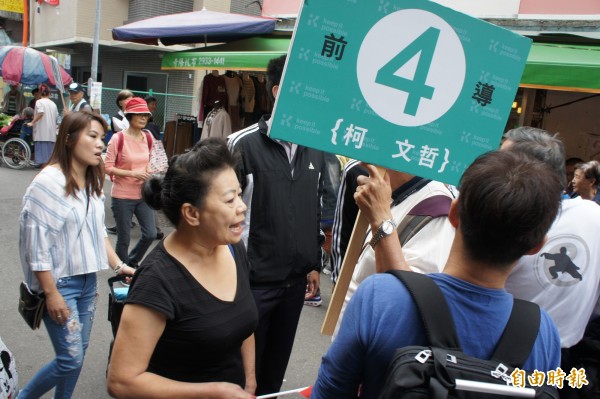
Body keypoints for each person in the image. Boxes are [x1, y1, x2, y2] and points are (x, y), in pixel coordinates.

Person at [312, 150, 563, 399]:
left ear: (454, 214)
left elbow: (331, 391)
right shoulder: (543, 333)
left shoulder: (380, 297)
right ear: (537, 246)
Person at [107, 138, 257, 399]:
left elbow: (244, 328)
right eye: (230, 200)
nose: (242, 207)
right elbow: (121, 382)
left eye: (240, 195)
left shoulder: (233, 249)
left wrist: (250, 381)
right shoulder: (157, 281)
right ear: (192, 214)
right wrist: (213, 392)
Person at [18, 111, 135, 399]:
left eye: (102, 138)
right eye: (92, 136)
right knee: (69, 358)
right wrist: (50, 293)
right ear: (69, 139)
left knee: (77, 355)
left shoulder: (93, 182)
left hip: (86, 284)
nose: (100, 144)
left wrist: (121, 266)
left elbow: (97, 233)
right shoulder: (47, 182)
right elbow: (36, 244)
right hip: (59, 286)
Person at [228, 55, 325, 396]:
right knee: (241, 376)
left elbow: (314, 206)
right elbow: (221, 215)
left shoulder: (314, 148)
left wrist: (313, 263)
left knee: (273, 375)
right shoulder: (243, 145)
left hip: (295, 284)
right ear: (278, 90)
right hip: (253, 283)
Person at [501, 128, 600, 398]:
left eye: (500, 162)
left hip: (512, 360)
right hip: (563, 365)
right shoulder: (594, 214)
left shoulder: (504, 223)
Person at [331, 168, 456, 337]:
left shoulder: (435, 208)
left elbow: (412, 301)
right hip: (348, 339)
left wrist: (380, 219)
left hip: (372, 347)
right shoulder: (388, 191)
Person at [105, 97, 157, 268]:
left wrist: (148, 170)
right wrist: (133, 173)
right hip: (122, 195)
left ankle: (132, 262)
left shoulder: (148, 137)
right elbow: (108, 167)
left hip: (143, 194)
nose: (143, 118)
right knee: (124, 238)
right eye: (139, 114)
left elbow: (148, 159)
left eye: (145, 115)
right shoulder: (117, 138)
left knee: (150, 233)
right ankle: (123, 269)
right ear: (129, 116)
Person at [26, 83, 59, 166]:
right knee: (49, 158)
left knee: (43, 159)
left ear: (40, 93)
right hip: (51, 134)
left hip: (42, 134)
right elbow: (56, 118)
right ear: (49, 93)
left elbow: (41, 113)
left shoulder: (39, 102)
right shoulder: (53, 104)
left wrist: (32, 122)